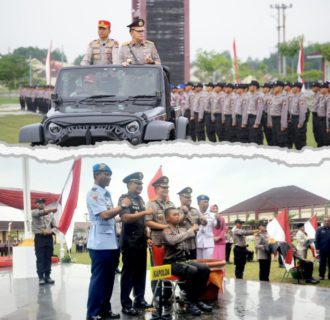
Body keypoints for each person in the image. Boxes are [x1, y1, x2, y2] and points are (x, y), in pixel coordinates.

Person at [86, 163, 131, 320]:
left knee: (109, 279)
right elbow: (104, 215)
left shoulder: (106, 194)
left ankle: (105, 309)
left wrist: (122, 217)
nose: (109, 178)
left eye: (110, 175)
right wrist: (122, 206)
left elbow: (111, 217)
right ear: (96, 175)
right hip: (99, 244)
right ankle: (93, 313)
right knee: (99, 279)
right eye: (106, 174)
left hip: (111, 243)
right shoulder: (94, 194)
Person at [162, 207, 212, 316]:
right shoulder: (166, 229)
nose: (177, 216)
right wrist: (190, 231)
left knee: (204, 268)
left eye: (178, 214)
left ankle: (196, 299)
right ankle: (189, 302)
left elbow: (194, 229)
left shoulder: (182, 229)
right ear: (167, 218)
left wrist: (195, 225)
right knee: (192, 270)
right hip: (171, 262)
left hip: (183, 260)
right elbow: (173, 240)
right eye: (174, 215)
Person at [118, 172, 153, 316]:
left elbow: (142, 223)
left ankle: (139, 299)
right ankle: (126, 303)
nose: (139, 186)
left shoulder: (140, 199)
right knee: (128, 274)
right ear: (128, 185)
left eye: (141, 184)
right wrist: (144, 213)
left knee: (140, 272)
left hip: (140, 241)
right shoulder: (124, 198)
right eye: (136, 184)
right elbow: (125, 218)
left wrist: (147, 235)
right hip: (129, 241)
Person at [145, 176, 174, 304]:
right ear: (156, 188)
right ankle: (157, 294)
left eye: (167, 187)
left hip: (171, 242)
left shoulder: (171, 204)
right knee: (157, 269)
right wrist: (164, 226)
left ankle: (168, 293)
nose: (166, 189)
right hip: (157, 241)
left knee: (170, 267)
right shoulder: (150, 204)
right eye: (163, 187)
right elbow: (148, 222)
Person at [31, 198, 58, 285]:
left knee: (48, 257)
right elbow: (40, 213)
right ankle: (41, 277)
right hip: (39, 238)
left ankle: (47, 276)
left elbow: (55, 227)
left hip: (49, 238)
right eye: (39, 203)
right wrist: (50, 210)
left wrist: (51, 231)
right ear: (36, 204)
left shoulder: (50, 215)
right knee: (40, 258)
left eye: (43, 203)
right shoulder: (34, 212)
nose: (42, 204)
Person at [177, 187, 206, 260]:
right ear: (180, 198)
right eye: (187, 197)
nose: (189, 199)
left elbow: (204, 223)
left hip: (193, 243)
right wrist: (184, 213)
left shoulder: (195, 210)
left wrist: (204, 221)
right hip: (182, 244)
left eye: (190, 197)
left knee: (194, 264)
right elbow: (176, 223)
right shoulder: (175, 210)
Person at [288, 82, 307, 150]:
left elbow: (302, 111)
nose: (292, 88)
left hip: (298, 120)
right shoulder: (293, 96)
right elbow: (291, 109)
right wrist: (290, 118)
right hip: (293, 119)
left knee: (299, 139)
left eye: (293, 87)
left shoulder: (301, 97)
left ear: (297, 88)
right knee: (294, 138)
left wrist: (301, 123)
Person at [243, 80, 264, 145]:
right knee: (250, 136)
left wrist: (257, 122)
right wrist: (244, 121)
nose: (249, 87)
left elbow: (260, 110)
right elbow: (246, 109)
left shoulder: (260, 96)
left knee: (255, 136)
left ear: (255, 87)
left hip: (255, 118)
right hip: (249, 117)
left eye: (250, 86)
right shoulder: (249, 95)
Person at [196, 195, 215, 259]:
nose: (206, 204)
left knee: (208, 265)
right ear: (198, 203)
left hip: (209, 243)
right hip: (197, 243)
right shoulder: (194, 214)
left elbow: (217, 226)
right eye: (204, 202)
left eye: (207, 202)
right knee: (198, 264)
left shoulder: (212, 215)